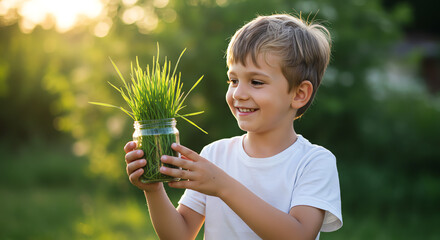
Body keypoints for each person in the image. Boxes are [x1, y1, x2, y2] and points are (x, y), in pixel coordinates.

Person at [124, 13, 342, 240]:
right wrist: (153, 189)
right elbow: (179, 235)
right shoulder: (215, 155)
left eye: (256, 82)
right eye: (233, 80)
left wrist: (222, 186)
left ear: (299, 94)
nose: (238, 93)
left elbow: (299, 235)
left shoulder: (313, 162)